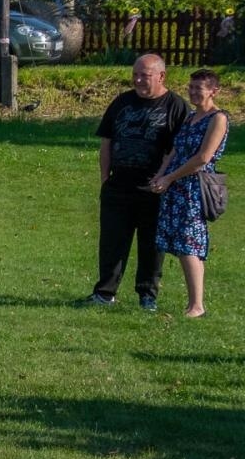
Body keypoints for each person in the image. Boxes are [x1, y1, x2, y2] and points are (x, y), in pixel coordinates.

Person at [87, 53, 188, 310]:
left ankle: (147, 296)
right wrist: (104, 178)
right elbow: (107, 141)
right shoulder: (122, 102)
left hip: (155, 188)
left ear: (162, 76)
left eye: (145, 75)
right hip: (119, 185)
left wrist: (166, 179)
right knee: (112, 242)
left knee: (151, 245)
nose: (139, 80)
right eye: (136, 75)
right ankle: (104, 293)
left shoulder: (176, 106)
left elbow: (180, 149)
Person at [151, 69, 229, 318]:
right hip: (175, 185)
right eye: (191, 87)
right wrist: (161, 174)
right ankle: (193, 304)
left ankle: (197, 305)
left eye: (200, 88)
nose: (193, 92)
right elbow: (175, 151)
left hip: (194, 187)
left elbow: (203, 158)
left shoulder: (218, 118)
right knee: (179, 242)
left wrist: (169, 177)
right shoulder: (191, 117)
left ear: (214, 91)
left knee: (190, 243)